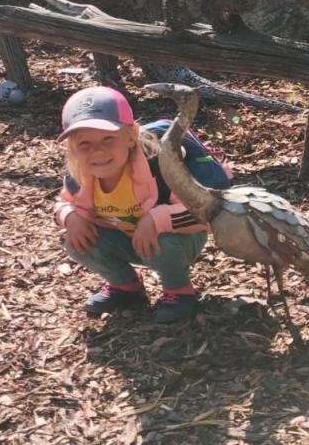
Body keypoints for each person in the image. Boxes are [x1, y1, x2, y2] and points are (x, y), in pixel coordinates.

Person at [54, 85, 209, 325]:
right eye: (84, 144)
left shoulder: (159, 166)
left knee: (163, 241)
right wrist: (70, 217)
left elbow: (200, 212)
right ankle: (125, 286)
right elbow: (64, 202)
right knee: (76, 242)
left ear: (130, 136)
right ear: (71, 148)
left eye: (108, 138)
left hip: (177, 240)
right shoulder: (79, 176)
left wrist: (156, 220)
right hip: (128, 239)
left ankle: (179, 289)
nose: (97, 151)